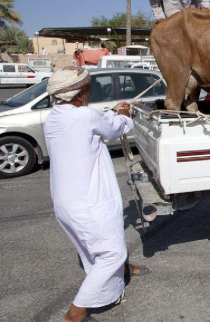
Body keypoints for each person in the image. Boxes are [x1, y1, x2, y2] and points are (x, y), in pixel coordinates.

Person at [44, 67, 147, 322]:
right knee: (110, 252)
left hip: (67, 201)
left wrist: (112, 114)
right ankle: (75, 313)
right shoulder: (85, 117)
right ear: (79, 95)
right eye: (88, 90)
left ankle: (122, 271)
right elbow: (113, 129)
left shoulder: (55, 116)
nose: (89, 94)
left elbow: (94, 123)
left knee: (95, 244)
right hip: (88, 202)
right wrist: (123, 112)